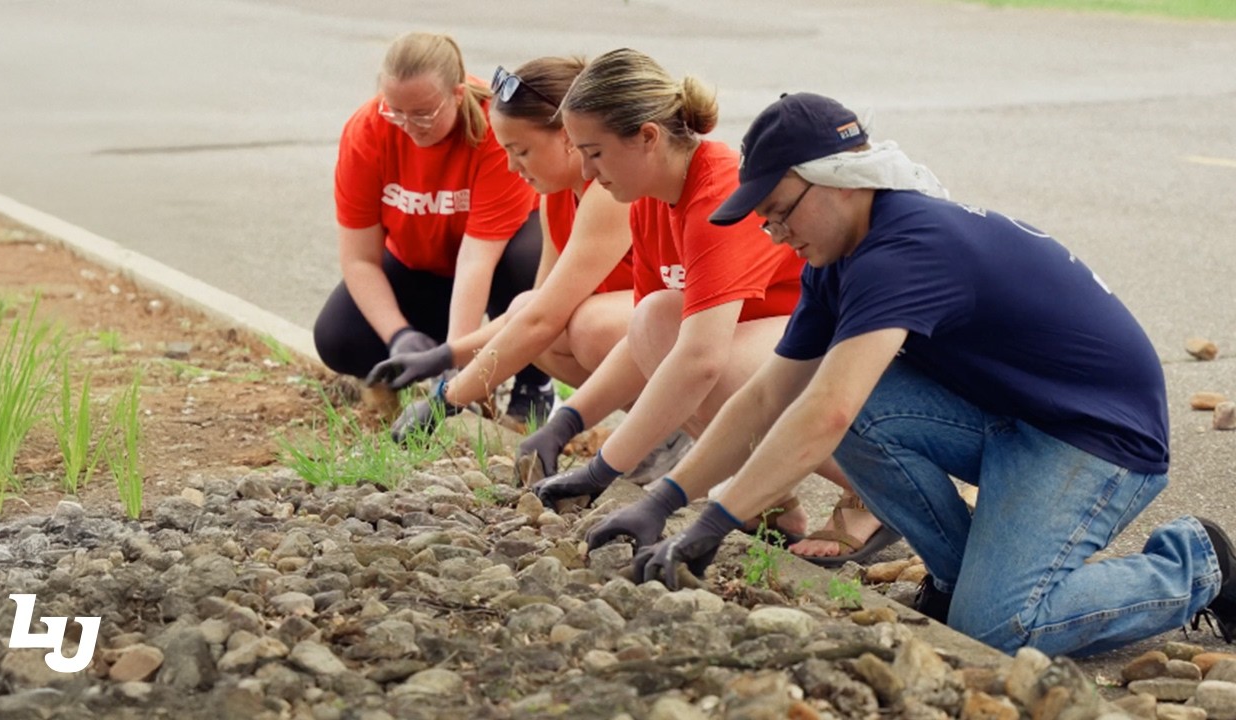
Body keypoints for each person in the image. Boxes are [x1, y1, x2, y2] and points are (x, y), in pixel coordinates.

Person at [592, 91, 1236, 657]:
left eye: (782, 210)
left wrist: (715, 522)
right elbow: (770, 395)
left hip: (1098, 439)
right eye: (765, 218)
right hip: (1014, 416)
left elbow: (828, 414)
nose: (775, 231)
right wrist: (663, 500)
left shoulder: (906, 248)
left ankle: (1195, 561)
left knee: (999, 630)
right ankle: (961, 577)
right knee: (841, 403)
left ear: (840, 179)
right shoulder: (835, 258)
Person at [522, 49, 899, 565]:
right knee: (654, 320)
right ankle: (768, 497)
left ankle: (873, 489)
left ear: (647, 138)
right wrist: (566, 422)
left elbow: (700, 361)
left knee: (708, 366)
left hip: (853, 350)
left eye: (595, 153)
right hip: (785, 342)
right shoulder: (649, 201)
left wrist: (603, 470)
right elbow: (645, 348)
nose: (585, 171)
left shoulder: (716, 189)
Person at [375, 57, 636, 442]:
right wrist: (446, 356)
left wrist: (446, 398)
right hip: (657, 334)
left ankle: (667, 427)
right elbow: (533, 311)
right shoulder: (557, 197)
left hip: (713, 333)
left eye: (522, 151)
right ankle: (663, 429)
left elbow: (544, 319)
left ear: (567, 136)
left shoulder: (608, 194)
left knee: (588, 327)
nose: (513, 167)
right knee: (527, 310)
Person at [313, 31, 553, 424]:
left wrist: (453, 372)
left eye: (423, 113)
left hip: (493, 272)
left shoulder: (495, 130)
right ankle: (399, 373)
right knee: (337, 338)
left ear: (458, 95)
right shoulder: (367, 132)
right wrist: (398, 336)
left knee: (530, 260)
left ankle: (534, 383)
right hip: (420, 266)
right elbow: (358, 259)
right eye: (396, 111)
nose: (408, 125)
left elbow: (477, 259)